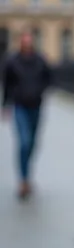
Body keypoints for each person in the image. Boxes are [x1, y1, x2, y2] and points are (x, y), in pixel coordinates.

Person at [2, 31, 52, 198]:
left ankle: (26, 172)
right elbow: (7, 84)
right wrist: (5, 105)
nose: (27, 43)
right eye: (24, 40)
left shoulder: (40, 60)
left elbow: (49, 78)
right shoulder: (12, 61)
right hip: (19, 106)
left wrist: (40, 91)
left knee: (32, 143)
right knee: (24, 141)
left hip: (36, 106)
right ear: (20, 42)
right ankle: (23, 180)